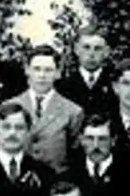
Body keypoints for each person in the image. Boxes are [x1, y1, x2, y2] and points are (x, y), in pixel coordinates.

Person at [12, 45, 85, 175]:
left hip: (55, 184)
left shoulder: (72, 111)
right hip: (18, 182)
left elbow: (75, 157)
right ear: (27, 70)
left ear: (58, 73)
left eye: (48, 70)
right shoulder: (12, 105)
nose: (42, 75)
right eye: (37, 69)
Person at [58, 25, 114, 114]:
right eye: (86, 47)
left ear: (106, 52)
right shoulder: (62, 86)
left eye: (97, 49)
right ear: (76, 49)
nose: (91, 54)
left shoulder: (114, 85)